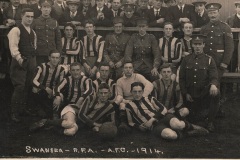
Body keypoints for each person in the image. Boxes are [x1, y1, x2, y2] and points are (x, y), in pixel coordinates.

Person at [125, 82, 209, 140]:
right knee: (171, 135)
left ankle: (192, 126)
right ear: (131, 92)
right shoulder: (128, 106)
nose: (137, 94)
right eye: (134, 92)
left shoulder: (150, 98)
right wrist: (138, 127)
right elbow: (130, 122)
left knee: (178, 125)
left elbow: (163, 109)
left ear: (143, 91)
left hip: (164, 118)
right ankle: (189, 133)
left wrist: (152, 119)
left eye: (139, 91)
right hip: (154, 127)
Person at [30, 83, 116, 138]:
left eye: (105, 93)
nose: (103, 95)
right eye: (101, 93)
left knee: (70, 132)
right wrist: (94, 124)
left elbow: (113, 122)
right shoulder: (90, 98)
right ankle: (46, 122)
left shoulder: (110, 107)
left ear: (109, 94)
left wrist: (102, 128)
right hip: (73, 110)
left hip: (81, 122)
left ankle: (55, 127)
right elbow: (81, 115)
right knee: (69, 123)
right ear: (97, 93)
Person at [179, 34, 220, 132]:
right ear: (192, 45)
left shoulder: (209, 60)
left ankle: (210, 121)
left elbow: (214, 76)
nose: (197, 46)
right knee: (193, 119)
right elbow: (181, 78)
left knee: (217, 92)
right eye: (195, 44)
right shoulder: (186, 59)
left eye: (199, 44)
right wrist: (185, 93)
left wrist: (213, 85)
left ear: (203, 45)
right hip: (191, 96)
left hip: (203, 95)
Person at [200, 3, 234, 117]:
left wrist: (225, 63)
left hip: (219, 64)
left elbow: (229, 47)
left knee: (214, 85)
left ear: (218, 13)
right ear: (208, 14)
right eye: (210, 13)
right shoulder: (204, 28)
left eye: (214, 12)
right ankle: (210, 109)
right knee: (204, 84)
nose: (212, 15)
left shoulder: (225, 27)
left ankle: (213, 114)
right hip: (206, 64)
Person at [7, 8, 36, 122]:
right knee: (19, 86)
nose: (29, 19)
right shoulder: (16, 30)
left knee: (27, 85)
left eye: (31, 17)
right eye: (27, 16)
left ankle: (22, 109)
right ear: (22, 16)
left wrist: (32, 59)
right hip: (20, 61)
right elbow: (13, 47)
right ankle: (14, 112)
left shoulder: (32, 31)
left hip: (30, 61)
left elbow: (33, 46)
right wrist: (19, 59)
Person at [114, 62, 153, 132]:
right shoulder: (119, 81)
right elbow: (119, 95)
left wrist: (142, 97)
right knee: (121, 104)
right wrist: (126, 101)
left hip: (139, 98)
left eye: (130, 68)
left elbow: (150, 85)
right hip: (128, 100)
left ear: (133, 69)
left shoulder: (138, 76)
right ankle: (124, 123)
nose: (128, 70)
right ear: (123, 69)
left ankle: (147, 122)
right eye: (126, 68)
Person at [124, 17, 161, 81]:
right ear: (137, 27)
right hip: (136, 66)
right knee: (130, 78)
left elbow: (157, 53)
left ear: (147, 27)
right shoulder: (133, 37)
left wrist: (155, 67)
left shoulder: (151, 38)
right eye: (139, 27)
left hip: (148, 66)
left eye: (143, 27)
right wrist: (130, 67)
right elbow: (128, 53)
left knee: (155, 77)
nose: (141, 29)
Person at [32, 50, 65, 119]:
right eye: (53, 57)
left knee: (60, 96)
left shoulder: (61, 69)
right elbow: (34, 80)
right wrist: (45, 88)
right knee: (35, 90)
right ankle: (41, 110)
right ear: (49, 58)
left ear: (59, 59)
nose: (55, 60)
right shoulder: (42, 66)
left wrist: (57, 94)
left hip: (52, 90)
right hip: (41, 90)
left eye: (57, 58)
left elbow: (60, 84)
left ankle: (54, 113)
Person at [32, 0, 62, 65]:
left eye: (48, 7)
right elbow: (31, 37)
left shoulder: (55, 22)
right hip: (39, 52)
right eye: (44, 7)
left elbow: (58, 39)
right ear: (41, 9)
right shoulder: (35, 22)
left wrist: (59, 53)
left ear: (50, 9)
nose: (46, 9)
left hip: (52, 52)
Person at [226, 1, 240, 73]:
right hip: (233, 44)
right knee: (232, 63)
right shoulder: (230, 19)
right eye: (239, 7)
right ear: (236, 8)